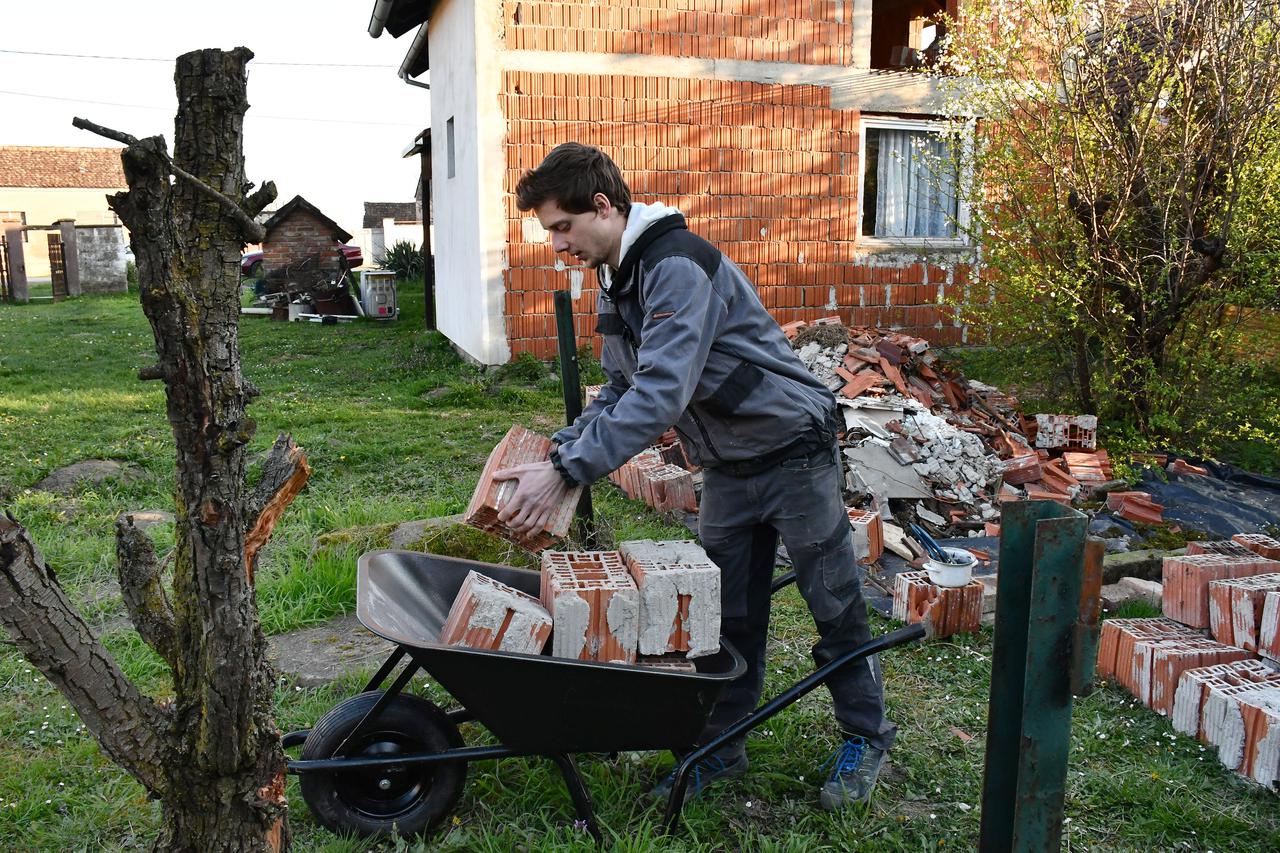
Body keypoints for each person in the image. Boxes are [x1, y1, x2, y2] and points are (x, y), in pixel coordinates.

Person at [493, 142, 895, 810]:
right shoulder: (616, 276)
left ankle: (866, 734)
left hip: (793, 448)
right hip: (729, 467)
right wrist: (559, 451)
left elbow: (660, 396)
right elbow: (622, 387)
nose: (558, 244)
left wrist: (568, 471)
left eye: (563, 227)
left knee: (833, 602)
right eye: (549, 233)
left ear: (603, 205)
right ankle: (721, 745)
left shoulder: (675, 266)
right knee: (725, 613)